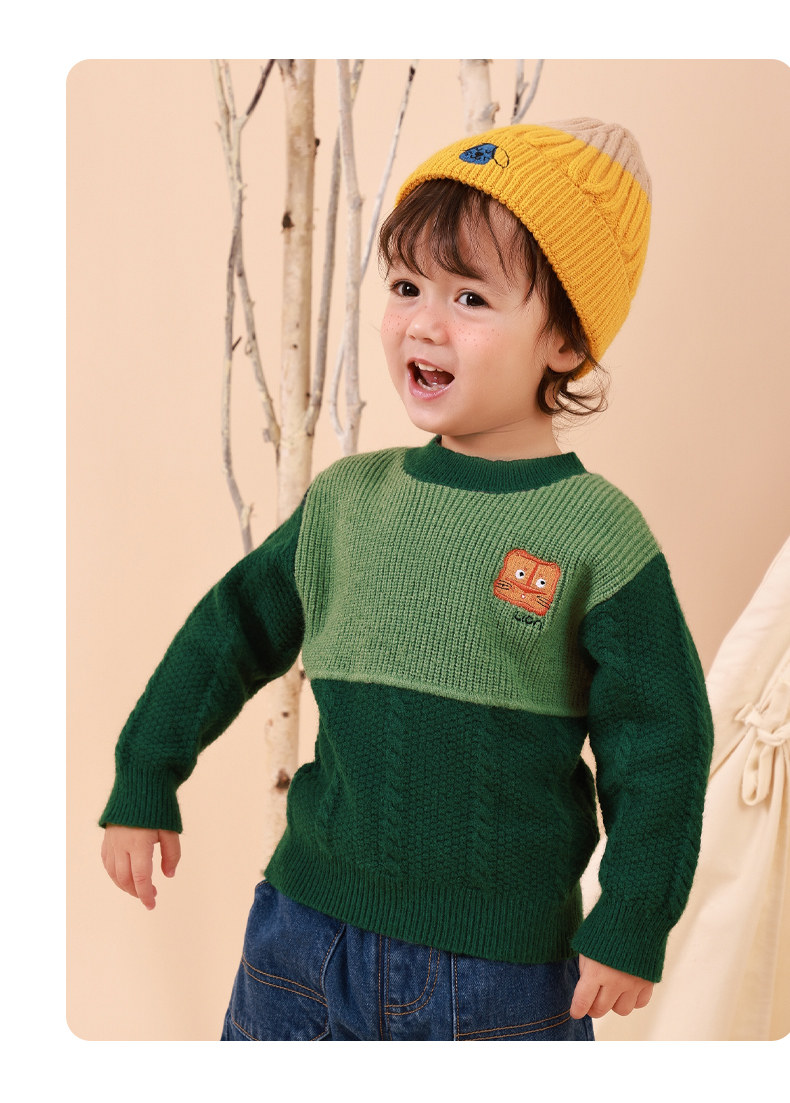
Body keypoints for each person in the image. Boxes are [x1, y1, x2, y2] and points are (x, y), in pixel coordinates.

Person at [100, 119, 715, 1041]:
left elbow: (661, 742)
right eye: (405, 286)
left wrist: (633, 915)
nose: (424, 322)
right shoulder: (347, 502)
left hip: (504, 982)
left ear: (565, 341)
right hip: (299, 946)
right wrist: (146, 770)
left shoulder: (598, 536)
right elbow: (227, 633)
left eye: (470, 296)